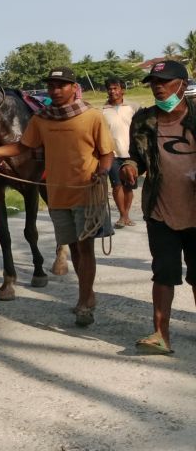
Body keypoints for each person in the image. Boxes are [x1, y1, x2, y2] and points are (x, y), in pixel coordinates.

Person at [0, 66, 114, 327]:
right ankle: (87, 293)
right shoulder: (42, 119)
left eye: (61, 86)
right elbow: (21, 146)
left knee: (85, 248)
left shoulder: (92, 116)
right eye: (51, 86)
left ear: (73, 87)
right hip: (57, 195)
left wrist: (102, 173)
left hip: (86, 192)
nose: (55, 91)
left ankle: (83, 301)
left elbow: (106, 153)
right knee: (77, 250)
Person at [119, 60, 196, 355]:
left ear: (182, 84)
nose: (158, 87)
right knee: (163, 273)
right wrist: (129, 166)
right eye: (153, 82)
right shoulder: (144, 120)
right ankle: (160, 335)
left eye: (164, 81)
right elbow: (136, 157)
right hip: (161, 210)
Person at [101, 77, 139, 228]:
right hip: (113, 154)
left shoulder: (134, 107)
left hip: (131, 155)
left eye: (115, 88)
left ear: (122, 90)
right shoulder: (103, 111)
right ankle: (123, 216)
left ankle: (127, 214)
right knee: (117, 186)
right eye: (110, 89)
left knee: (129, 186)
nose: (112, 91)